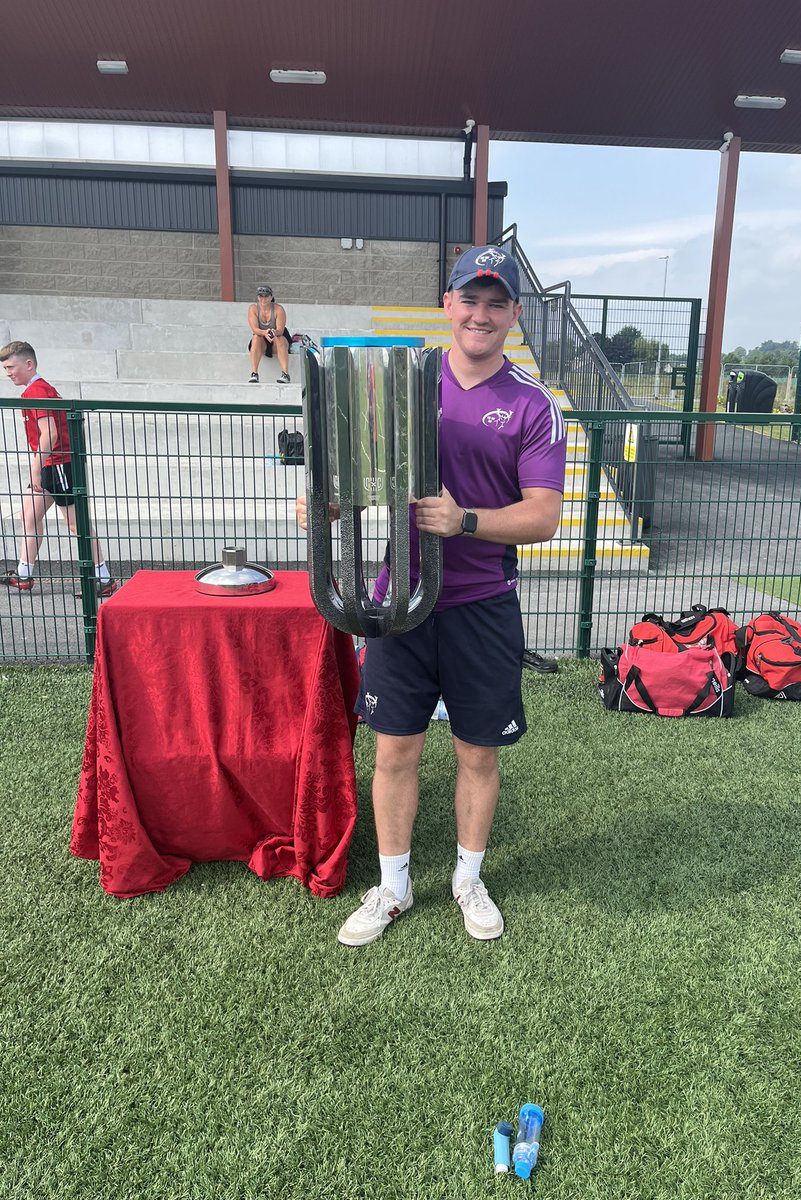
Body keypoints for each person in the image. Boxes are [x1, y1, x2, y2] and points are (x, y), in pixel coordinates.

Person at [297, 245, 566, 946]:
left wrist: (465, 520)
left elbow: (543, 515)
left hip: (482, 604)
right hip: (401, 599)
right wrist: (326, 506)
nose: (480, 313)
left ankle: (467, 878)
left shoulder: (533, 405)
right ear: (447, 305)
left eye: (496, 302)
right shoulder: (405, 384)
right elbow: (360, 473)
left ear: (512, 313)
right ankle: (392, 886)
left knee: (479, 753)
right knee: (395, 752)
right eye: (469, 299)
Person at [1, 340, 117, 596]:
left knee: (77, 525)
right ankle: (24, 573)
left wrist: (36, 466)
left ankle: (103, 578)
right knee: (29, 516)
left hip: (58, 465)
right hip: (51, 464)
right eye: (5, 368)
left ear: (29, 364)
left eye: (11, 367)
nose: (8, 372)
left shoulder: (37, 392)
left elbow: (49, 433)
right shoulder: (35, 390)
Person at [247, 284, 291, 384]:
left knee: (280, 339)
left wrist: (273, 332)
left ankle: (285, 374)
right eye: (260, 296)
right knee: (256, 338)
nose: (263, 299)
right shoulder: (253, 308)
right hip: (262, 340)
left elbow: (280, 330)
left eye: (266, 296)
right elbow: (255, 329)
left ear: (271, 297)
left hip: (276, 339)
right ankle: (254, 373)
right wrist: (265, 332)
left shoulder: (278, 309)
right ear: (258, 297)